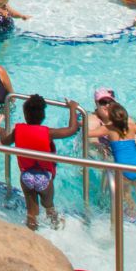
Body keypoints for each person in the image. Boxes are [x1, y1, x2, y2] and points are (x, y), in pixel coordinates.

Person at [13, 95, 82, 231]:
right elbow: (72, 129)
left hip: (26, 176)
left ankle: (31, 237)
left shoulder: (17, 130)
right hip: (44, 178)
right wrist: (72, 108)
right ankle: (56, 230)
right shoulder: (48, 133)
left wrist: (0, 131)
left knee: (31, 213)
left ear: (25, 115)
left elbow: (4, 141)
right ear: (43, 115)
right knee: (49, 207)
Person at [101, 103, 136, 214]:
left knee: (126, 195)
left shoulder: (108, 129)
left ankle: (133, 217)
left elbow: (88, 133)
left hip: (123, 167)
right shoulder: (131, 126)